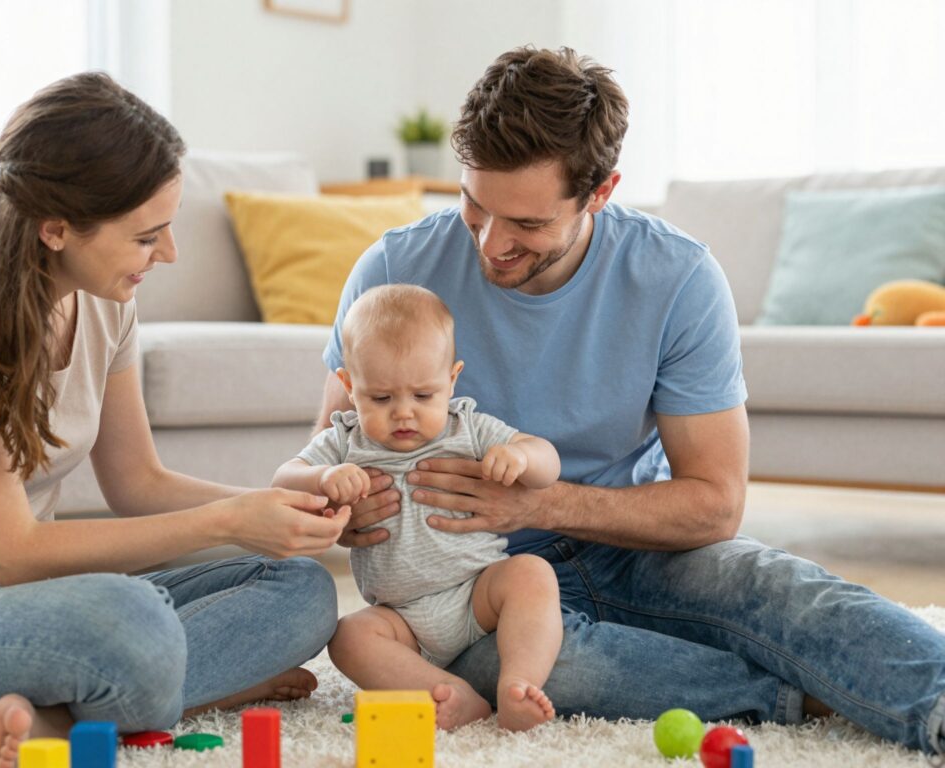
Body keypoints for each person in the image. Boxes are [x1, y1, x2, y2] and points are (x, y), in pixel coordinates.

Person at [315, 46, 945, 760]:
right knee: (550, 673)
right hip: (469, 591)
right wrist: (347, 510)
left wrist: (537, 505)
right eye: (474, 205)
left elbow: (716, 504)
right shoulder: (392, 273)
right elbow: (332, 454)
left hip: (634, 548)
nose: (491, 242)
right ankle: (801, 696)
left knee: (774, 586)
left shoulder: (677, 277)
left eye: (527, 224)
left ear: (600, 192)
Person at [0, 73, 351, 768]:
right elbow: (14, 553)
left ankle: (51, 713)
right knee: (128, 622)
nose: (169, 253)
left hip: (42, 599)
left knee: (301, 587)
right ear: (55, 229)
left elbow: (137, 482)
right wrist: (226, 521)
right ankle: (168, 690)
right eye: (148, 236)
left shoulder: (104, 300)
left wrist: (281, 512)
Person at [274, 284, 563, 731]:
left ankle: (518, 685)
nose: (403, 413)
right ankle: (449, 693)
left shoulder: (467, 426)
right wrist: (323, 477)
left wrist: (522, 458)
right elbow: (283, 479)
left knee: (531, 574)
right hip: (400, 618)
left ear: (452, 379)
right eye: (381, 398)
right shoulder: (344, 440)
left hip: (476, 593)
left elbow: (547, 460)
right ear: (349, 387)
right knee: (349, 637)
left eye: (423, 396)